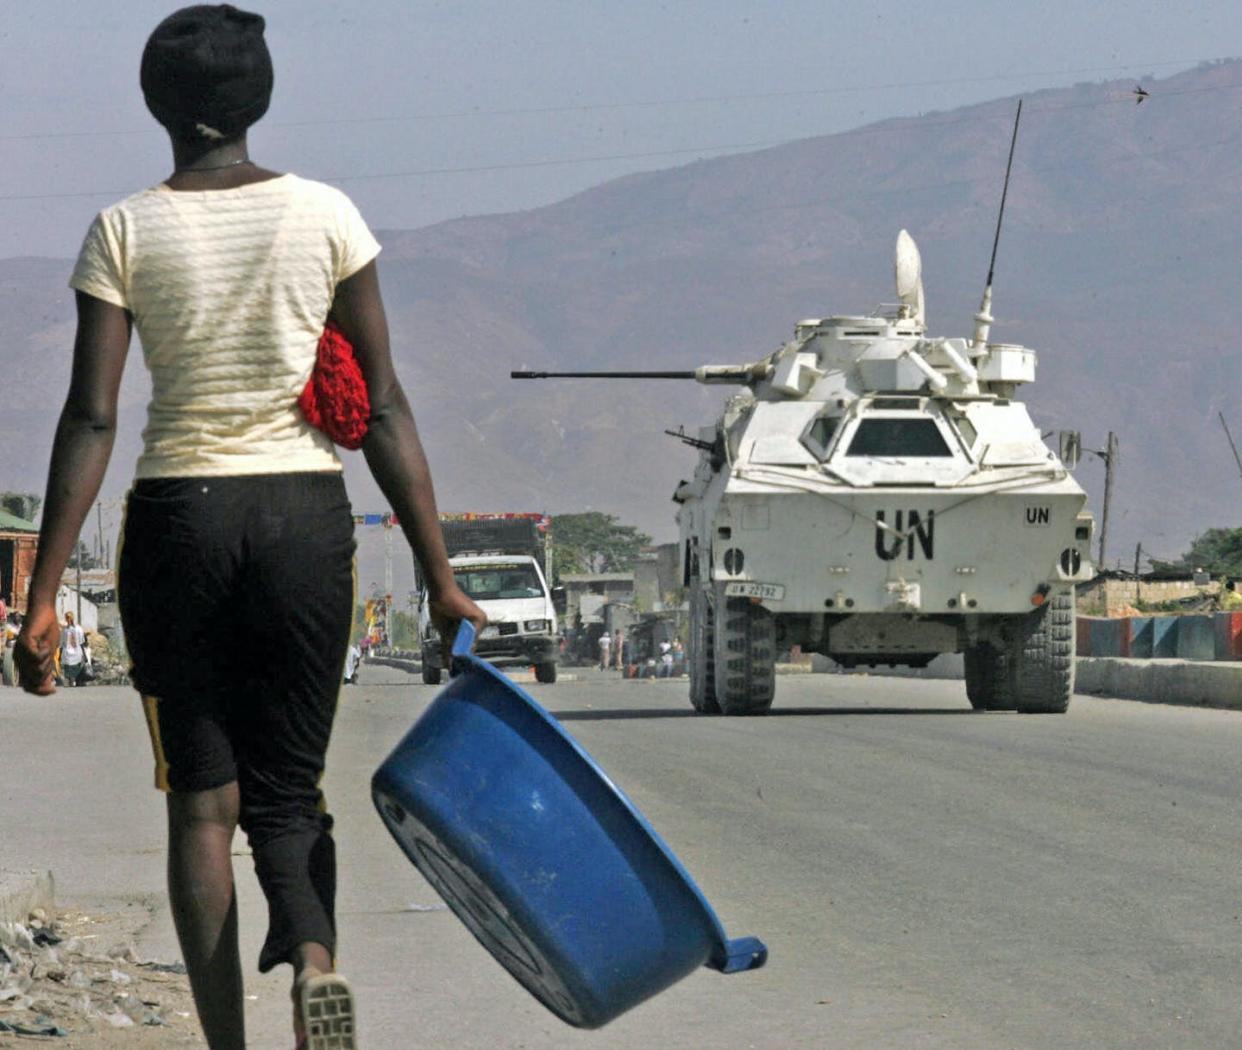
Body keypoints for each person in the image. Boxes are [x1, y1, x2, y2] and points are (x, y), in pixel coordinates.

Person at [14, 8, 485, 1050]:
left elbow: (91, 414)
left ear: (155, 104)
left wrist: (42, 596)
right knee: (290, 788)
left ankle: (227, 1043)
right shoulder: (326, 215)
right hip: (304, 520)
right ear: (258, 100)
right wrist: (440, 573)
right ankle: (315, 962)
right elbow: (387, 406)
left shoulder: (125, 227)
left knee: (200, 805)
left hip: (180, 521)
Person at [59, 611, 88, 687]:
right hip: (76, 653)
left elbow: (62, 644)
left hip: (68, 654)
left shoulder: (64, 630)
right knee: (74, 669)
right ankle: (73, 681)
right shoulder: (79, 629)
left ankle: (70, 681)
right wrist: (84, 655)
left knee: (68, 670)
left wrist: (60, 655)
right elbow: (82, 643)